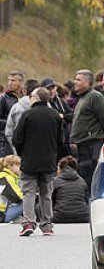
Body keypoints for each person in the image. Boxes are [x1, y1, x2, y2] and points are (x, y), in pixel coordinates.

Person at [11, 87, 62, 236]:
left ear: (37, 98)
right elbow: (61, 140)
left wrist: (22, 153)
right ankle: (47, 225)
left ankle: (28, 222)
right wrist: (53, 154)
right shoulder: (55, 116)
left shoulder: (27, 115)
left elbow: (17, 138)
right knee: (46, 193)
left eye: (32, 96)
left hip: (29, 161)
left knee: (29, 192)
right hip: (48, 162)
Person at [69, 70, 104, 191]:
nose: (75, 82)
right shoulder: (83, 98)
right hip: (82, 146)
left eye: (78, 80)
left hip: (91, 145)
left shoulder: (94, 96)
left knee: (88, 178)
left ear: (87, 82)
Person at [51, 156, 88, 224]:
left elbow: (51, 200)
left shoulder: (56, 181)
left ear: (60, 168)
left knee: (39, 206)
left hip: (60, 217)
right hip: (83, 216)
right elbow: (86, 199)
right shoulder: (82, 181)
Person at [0, 72, 24, 157]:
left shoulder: (26, 97)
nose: (10, 83)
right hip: (6, 142)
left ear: (21, 82)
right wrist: (11, 123)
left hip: (22, 140)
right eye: (9, 80)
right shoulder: (3, 98)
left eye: (13, 80)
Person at [0, 155, 22, 223]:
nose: (20, 168)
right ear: (9, 166)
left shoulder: (4, 176)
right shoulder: (6, 177)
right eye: (17, 166)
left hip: (3, 211)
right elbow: (16, 196)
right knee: (28, 201)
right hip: (2, 214)